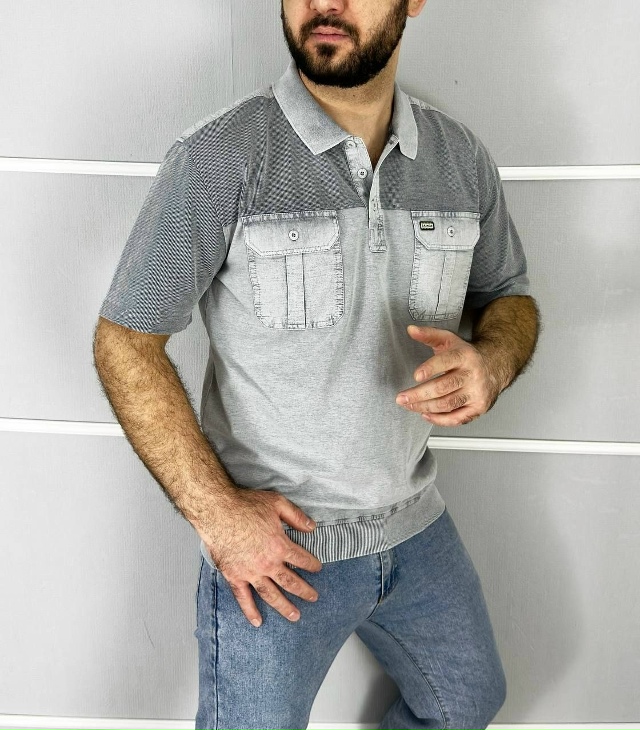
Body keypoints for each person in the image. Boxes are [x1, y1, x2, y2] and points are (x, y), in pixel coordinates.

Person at [93, 0, 540, 728]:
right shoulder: (220, 158)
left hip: (416, 528)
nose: (322, 3)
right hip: (278, 556)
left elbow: (508, 296)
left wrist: (493, 360)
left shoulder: (459, 158)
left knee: (465, 701)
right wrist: (219, 516)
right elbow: (125, 339)